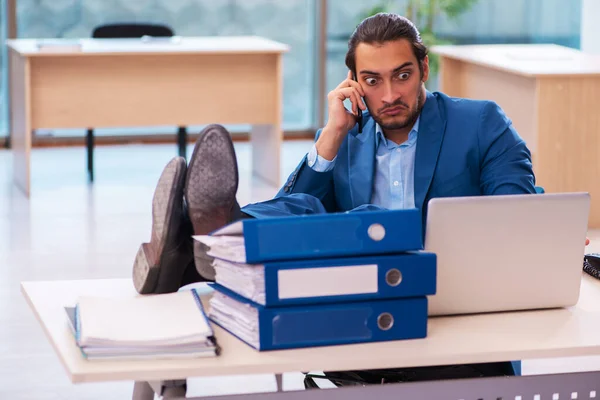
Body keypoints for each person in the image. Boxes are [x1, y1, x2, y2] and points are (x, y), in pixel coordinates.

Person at [131, 12, 587, 396]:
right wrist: (330, 137)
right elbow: (293, 204)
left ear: (423, 69)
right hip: (366, 307)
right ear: (354, 84)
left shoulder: (482, 122)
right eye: (373, 81)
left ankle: (197, 251)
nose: (389, 95)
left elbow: (517, 209)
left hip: (448, 308)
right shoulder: (348, 135)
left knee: (368, 225)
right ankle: (214, 237)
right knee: (308, 210)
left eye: (402, 76)